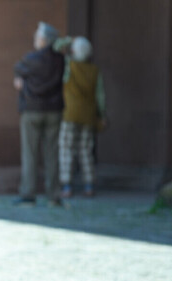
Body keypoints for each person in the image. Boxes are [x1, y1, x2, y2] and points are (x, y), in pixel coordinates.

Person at [13, 22, 66, 206]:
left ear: (44, 40)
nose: (35, 39)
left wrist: (21, 82)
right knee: (52, 153)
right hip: (53, 111)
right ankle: (53, 195)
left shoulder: (31, 59)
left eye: (37, 36)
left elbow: (18, 71)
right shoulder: (60, 60)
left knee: (30, 153)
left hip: (32, 110)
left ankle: (28, 193)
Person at [57, 36, 106, 198]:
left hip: (69, 113)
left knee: (66, 149)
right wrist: (102, 115)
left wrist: (68, 41)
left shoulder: (69, 65)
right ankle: (89, 184)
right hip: (88, 115)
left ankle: (66, 185)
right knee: (86, 151)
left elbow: (56, 47)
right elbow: (100, 96)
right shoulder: (94, 70)